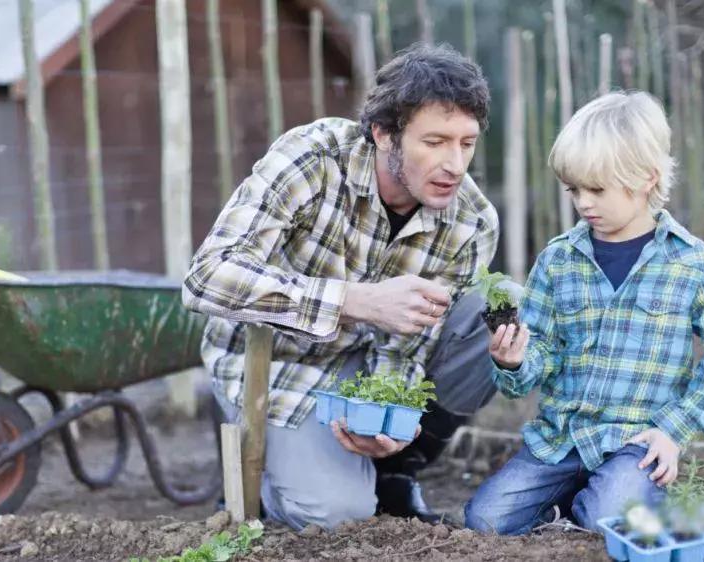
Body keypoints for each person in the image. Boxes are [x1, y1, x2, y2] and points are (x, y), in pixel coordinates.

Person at [183, 44, 500, 530]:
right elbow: (207, 278)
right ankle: (267, 471)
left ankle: (393, 469)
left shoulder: (472, 223)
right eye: (434, 142)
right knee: (337, 516)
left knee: (491, 316)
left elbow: (411, 346)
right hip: (276, 363)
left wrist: (389, 417)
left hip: (362, 365)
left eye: (466, 143)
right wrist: (354, 300)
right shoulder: (313, 160)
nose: (455, 164)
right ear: (382, 134)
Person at [464, 91, 704, 535]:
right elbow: (540, 353)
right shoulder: (559, 260)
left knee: (610, 516)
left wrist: (671, 431)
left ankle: (617, 494)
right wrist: (515, 360)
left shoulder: (692, 264)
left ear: (647, 179)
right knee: (485, 519)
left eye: (596, 189)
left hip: (638, 443)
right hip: (561, 440)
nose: (583, 202)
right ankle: (579, 496)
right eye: (574, 189)